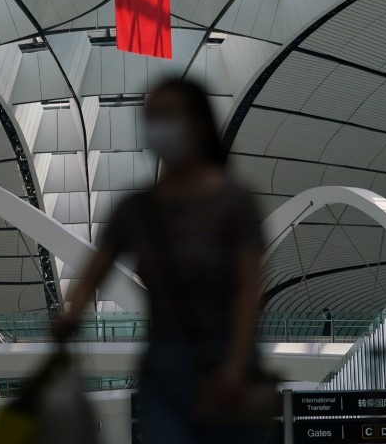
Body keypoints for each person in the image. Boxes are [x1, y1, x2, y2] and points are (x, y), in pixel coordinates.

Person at [53, 78, 267, 444]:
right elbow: (95, 270)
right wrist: (72, 313)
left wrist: (235, 363)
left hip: (224, 358)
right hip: (164, 361)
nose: (158, 129)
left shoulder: (233, 203)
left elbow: (248, 289)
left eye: (169, 117)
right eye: (152, 118)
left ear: (198, 124)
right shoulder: (136, 210)